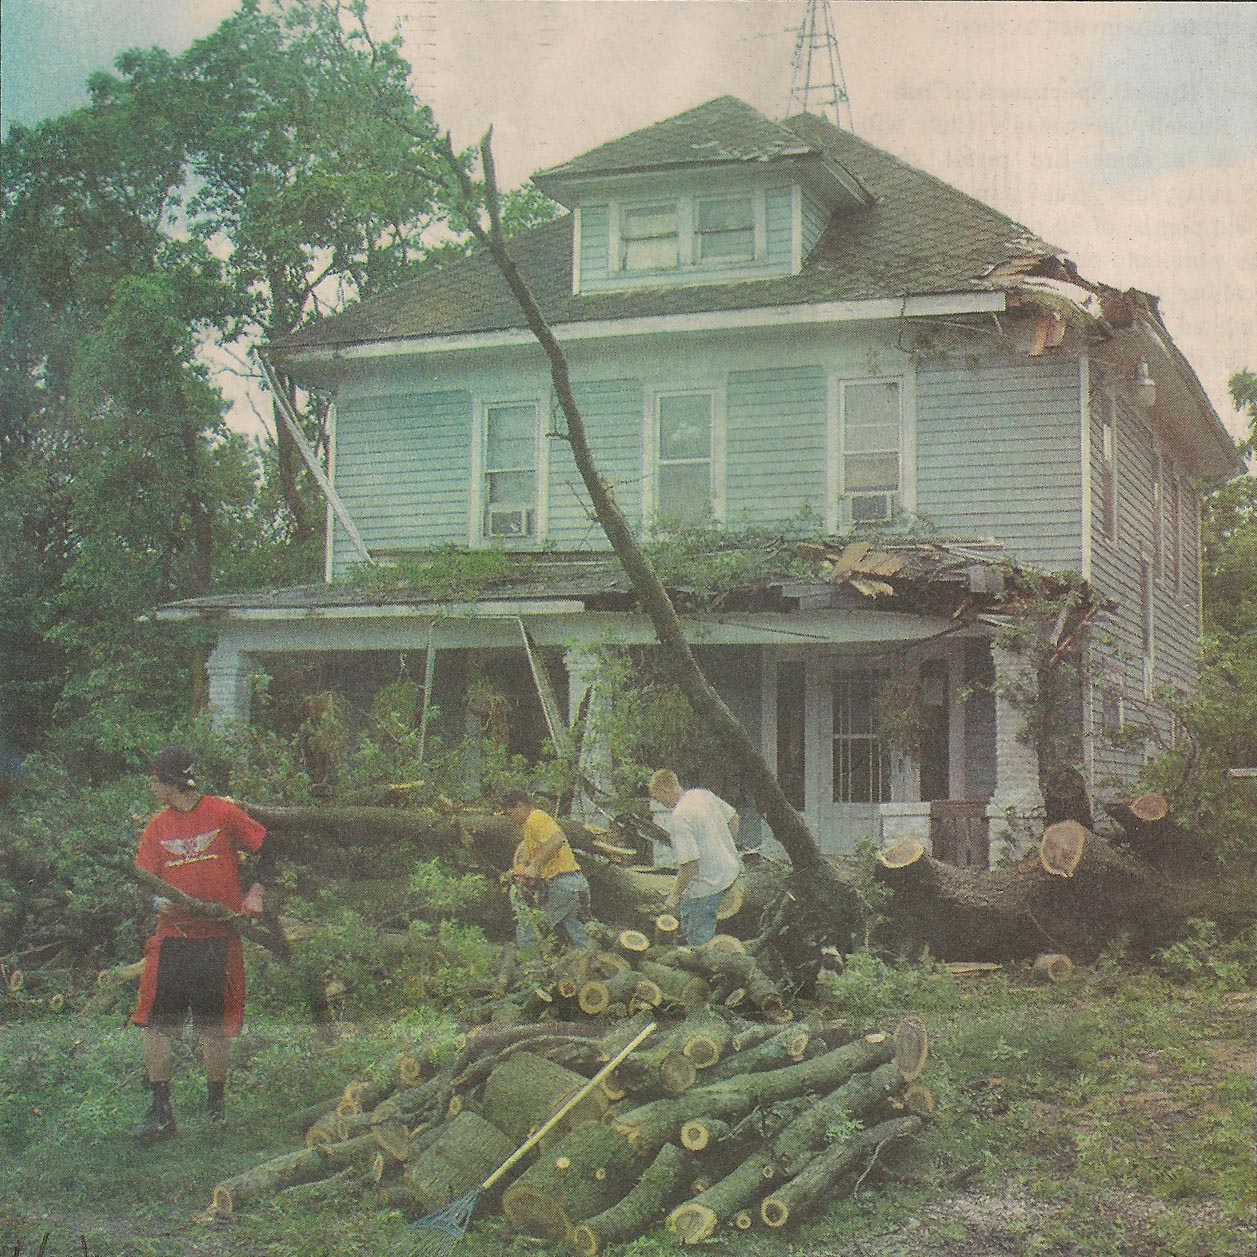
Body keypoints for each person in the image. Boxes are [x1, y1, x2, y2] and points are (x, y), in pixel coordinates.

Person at [131, 747, 269, 1144]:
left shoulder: (222, 813)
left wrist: (256, 891)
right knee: (156, 1024)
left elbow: (268, 848)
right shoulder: (157, 828)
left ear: (171, 782)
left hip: (218, 936)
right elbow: (143, 884)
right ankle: (161, 1111)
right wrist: (159, 902)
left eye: (155, 779)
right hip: (173, 938)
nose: (151, 786)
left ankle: (216, 1109)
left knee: (215, 1025)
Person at [648, 769, 741, 946]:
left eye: (658, 798)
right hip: (731, 869)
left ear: (665, 790)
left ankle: (701, 955)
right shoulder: (702, 794)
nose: (660, 803)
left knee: (698, 939)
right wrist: (726, 846)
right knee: (694, 916)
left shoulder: (679, 817)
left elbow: (690, 865)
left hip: (708, 884)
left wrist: (675, 895)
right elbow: (734, 818)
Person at [501, 788, 591, 950]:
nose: (510, 818)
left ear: (520, 805)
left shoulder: (536, 818)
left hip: (562, 883)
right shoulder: (530, 827)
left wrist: (535, 867)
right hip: (574, 883)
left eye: (510, 813)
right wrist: (522, 870)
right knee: (576, 930)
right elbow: (526, 851)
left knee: (530, 927)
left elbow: (557, 840)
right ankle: (591, 960)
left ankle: (529, 961)